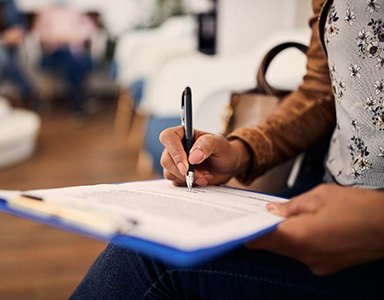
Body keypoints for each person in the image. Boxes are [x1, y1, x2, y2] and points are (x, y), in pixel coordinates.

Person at [71, 0, 384, 299]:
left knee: (148, 261)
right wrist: (241, 149)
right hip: (321, 194)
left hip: (364, 234)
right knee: (155, 240)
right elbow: (320, 91)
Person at [33, 0, 96, 117]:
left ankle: (77, 104)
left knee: (74, 62)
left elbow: (89, 28)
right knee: (73, 62)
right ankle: (79, 103)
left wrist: (75, 37)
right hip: (55, 52)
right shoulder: (46, 12)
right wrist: (60, 38)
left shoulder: (74, 11)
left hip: (74, 52)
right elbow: (40, 33)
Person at [0, 0, 40, 111]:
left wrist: (19, 31)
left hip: (11, 47)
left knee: (5, 58)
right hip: (4, 47)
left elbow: (22, 23)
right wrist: (3, 38)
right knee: (3, 57)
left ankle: (29, 93)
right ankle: (28, 92)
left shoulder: (10, 3)